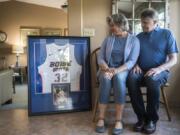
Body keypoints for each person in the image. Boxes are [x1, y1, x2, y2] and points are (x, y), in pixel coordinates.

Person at [127, 8, 178, 134]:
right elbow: (132, 57)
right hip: (141, 71)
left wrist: (159, 69)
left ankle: (151, 120)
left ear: (156, 22)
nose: (143, 25)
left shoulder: (167, 34)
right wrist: (135, 64)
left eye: (146, 23)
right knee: (131, 79)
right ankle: (141, 117)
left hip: (161, 71)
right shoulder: (138, 37)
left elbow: (173, 60)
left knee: (151, 79)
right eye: (142, 22)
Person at [95, 13, 140, 135]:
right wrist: (106, 68)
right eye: (110, 25)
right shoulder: (108, 39)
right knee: (105, 79)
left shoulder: (134, 40)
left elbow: (132, 61)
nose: (111, 28)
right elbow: (100, 58)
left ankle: (119, 120)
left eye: (113, 25)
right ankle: (101, 118)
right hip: (106, 69)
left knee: (119, 79)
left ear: (121, 25)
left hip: (123, 70)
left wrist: (116, 71)